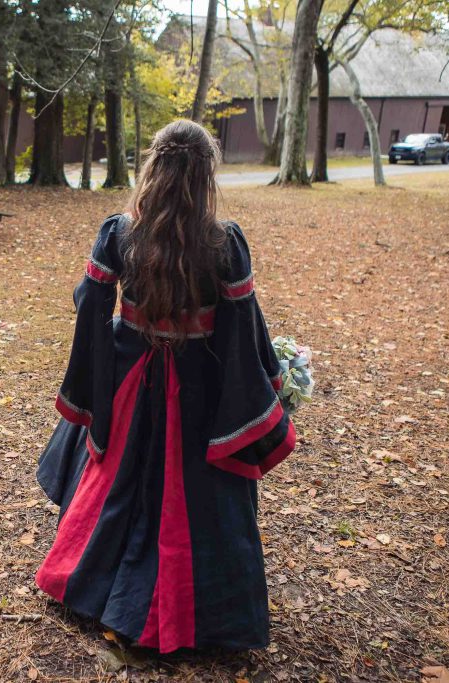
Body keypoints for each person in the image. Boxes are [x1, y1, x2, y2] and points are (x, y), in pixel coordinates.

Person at [34, 119, 296, 654]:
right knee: (198, 501)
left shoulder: (120, 234)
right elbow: (242, 325)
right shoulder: (224, 244)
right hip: (201, 395)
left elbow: (90, 306)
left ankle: (100, 588)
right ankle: (206, 615)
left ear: (153, 166)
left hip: (131, 385)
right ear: (206, 175)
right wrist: (269, 377)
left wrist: (105, 363)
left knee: (119, 481)